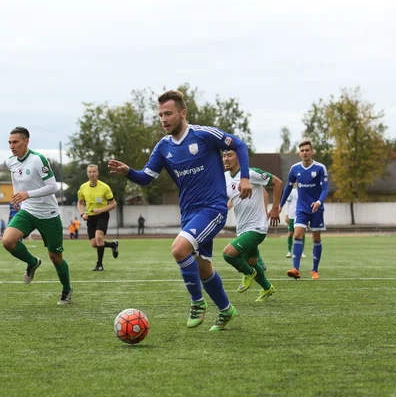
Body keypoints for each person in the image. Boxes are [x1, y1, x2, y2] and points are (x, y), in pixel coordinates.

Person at [108, 89, 252, 331]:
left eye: (168, 113)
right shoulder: (163, 147)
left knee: (179, 249)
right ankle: (226, 309)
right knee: (202, 266)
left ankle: (197, 303)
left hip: (213, 208)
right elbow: (146, 178)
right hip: (189, 213)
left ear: (182, 113)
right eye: (160, 115)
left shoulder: (204, 135)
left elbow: (239, 144)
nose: (163, 119)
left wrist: (245, 177)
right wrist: (128, 172)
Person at [2, 126, 73, 305]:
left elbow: (53, 187)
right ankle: (32, 262)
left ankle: (66, 289)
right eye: (10, 142)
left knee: (56, 258)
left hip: (48, 214)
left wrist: (27, 194)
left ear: (26, 141)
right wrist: (17, 196)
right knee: (8, 241)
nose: (12, 146)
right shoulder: (11, 161)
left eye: (15, 142)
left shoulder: (37, 160)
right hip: (28, 211)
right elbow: (15, 179)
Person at [222, 150, 281, 302]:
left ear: (239, 157)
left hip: (257, 227)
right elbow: (234, 198)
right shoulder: (225, 177)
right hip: (242, 228)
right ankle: (267, 288)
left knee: (228, 254)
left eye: (229, 155)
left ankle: (248, 274)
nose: (226, 159)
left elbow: (277, 183)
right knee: (252, 262)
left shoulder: (250, 173)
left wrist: (274, 208)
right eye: (224, 156)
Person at [279, 139, 328, 281]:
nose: (305, 152)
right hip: (301, 208)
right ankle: (296, 269)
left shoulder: (320, 168)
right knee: (298, 234)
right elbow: (288, 187)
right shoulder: (295, 169)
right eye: (302, 150)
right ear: (299, 153)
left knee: (316, 238)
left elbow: (325, 189)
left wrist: (319, 202)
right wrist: (280, 204)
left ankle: (314, 270)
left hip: (316, 208)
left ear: (311, 152)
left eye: (307, 150)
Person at [77, 164, 119, 271]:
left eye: (94, 172)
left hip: (102, 215)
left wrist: (101, 210)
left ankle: (99, 265)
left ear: (97, 173)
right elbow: (80, 203)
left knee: (99, 237)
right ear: (87, 174)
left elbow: (113, 204)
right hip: (90, 217)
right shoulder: (83, 187)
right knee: (94, 244)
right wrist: (82, 214)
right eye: (90, 172)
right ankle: (113, 245)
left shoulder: (104, 187)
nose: (92, 174)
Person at [285, 184, 306, 258]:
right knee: (290, 233)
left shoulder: (304, 190)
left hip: (301, 215)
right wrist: (286, 214)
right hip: (292, 215)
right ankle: (289, 251)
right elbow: (287, 203)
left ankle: (301, 252)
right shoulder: (292, 191)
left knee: (302, 233)